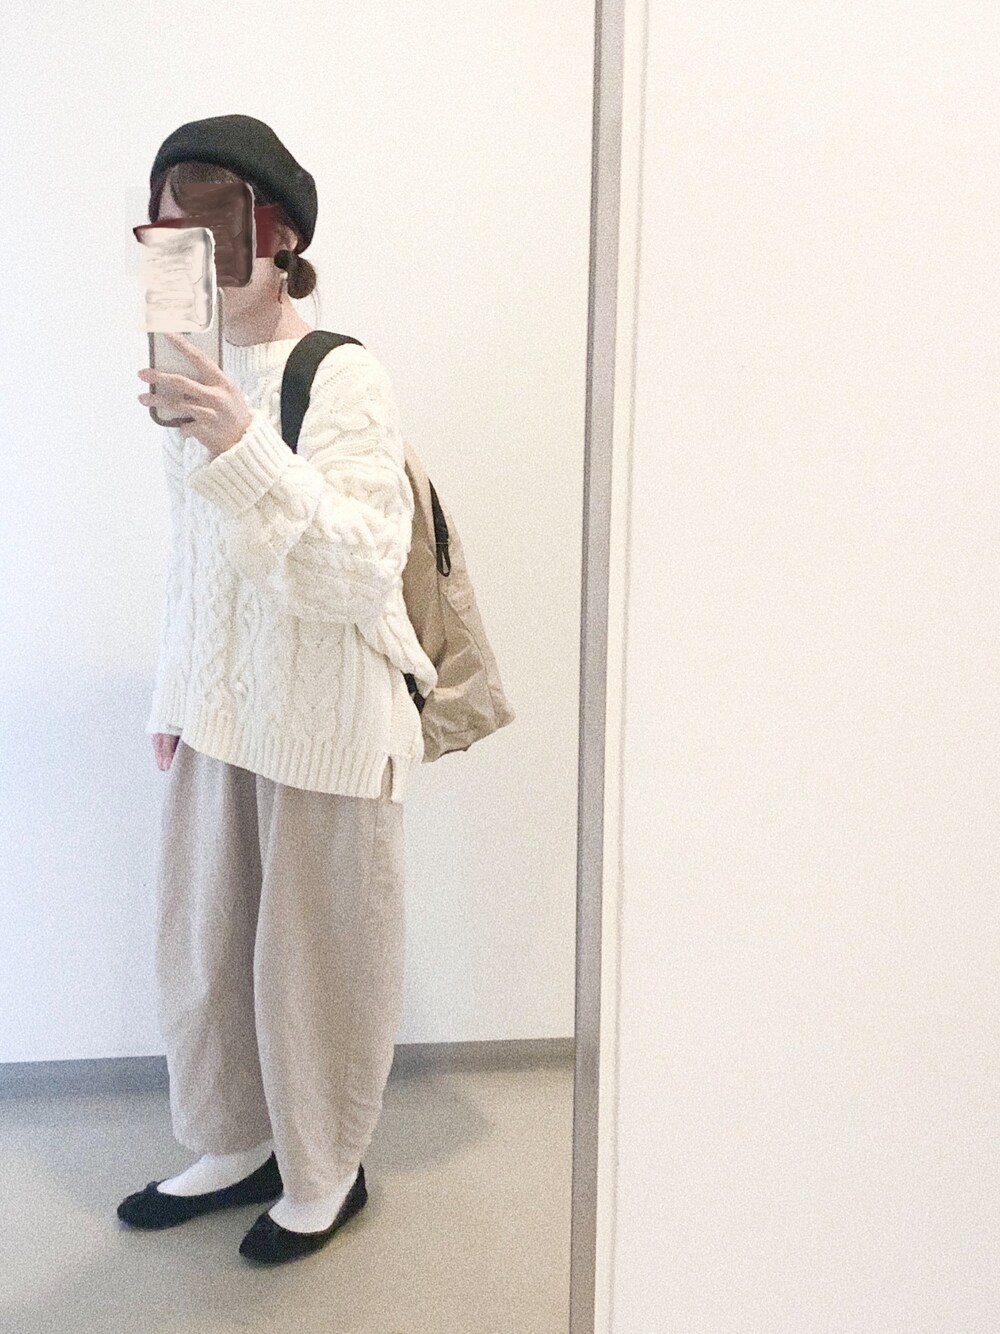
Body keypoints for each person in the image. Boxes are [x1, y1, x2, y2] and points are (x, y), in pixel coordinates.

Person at [116, 115, 438, 1265]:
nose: (193, 253)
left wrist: (244, 439)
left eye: (213, 226)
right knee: (207, 954)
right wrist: (171, 695)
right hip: (219, 715)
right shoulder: (187, 372)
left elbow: (355, 572)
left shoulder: (341, 372)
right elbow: (195, 558)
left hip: (328, 720)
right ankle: (234, 1141)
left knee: (316, 969)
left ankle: (325, 1170)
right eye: (170, 231)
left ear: (279, 233)